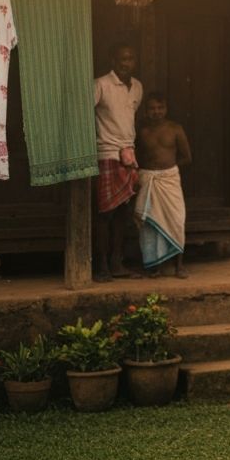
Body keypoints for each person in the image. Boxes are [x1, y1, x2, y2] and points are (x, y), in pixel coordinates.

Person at [93, 43, 143, 282]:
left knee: (123, 212)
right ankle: (102, 264)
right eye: (122, 59)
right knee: (105, 213)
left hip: (128, 154)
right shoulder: (101, 84)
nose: (126, 63)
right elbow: (85, 114)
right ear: (113, 61)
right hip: (106, 153)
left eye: (130, 59)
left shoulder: (137, 87)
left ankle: (117, 262)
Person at [135, 92, 192, 279]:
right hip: (148, 179)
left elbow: (186, 157)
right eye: (152, 108)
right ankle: (154, 266)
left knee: (176, 220)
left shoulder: (175, 129)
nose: (156, 112)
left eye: (160, 108)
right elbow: (136, 156)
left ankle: (179, 266)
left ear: (166, 109)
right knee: (149, 224)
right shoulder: (141, 130)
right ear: (146, 110)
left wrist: (168, 170)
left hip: (169, 180)